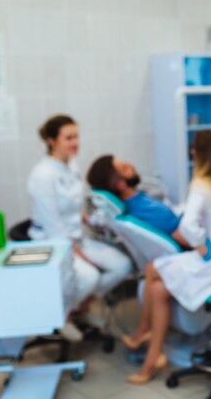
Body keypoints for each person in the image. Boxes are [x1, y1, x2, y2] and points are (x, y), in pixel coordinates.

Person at [122, 130, 211, 384]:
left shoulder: (202, 186)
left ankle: (143, 333)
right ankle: (153, 356)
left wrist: (202, 247)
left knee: (152, 268)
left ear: (196, 154)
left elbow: (188, 227)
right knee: (156, 289)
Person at [27, 114, 133, 340]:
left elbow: (75, 205)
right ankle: (60, 316)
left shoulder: (71, 166)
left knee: (122, 265)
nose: (75, 142)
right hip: (54, 244)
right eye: (68, 138)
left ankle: (82, 308)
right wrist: (79, 255)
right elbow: (54, 227)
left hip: (77, 239)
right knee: (90, 275)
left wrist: (90, 219)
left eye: (76, 136)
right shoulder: (42, 176)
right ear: (51, 141)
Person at [86, 155, 190, 247]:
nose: (131, 164)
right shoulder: (150, 211)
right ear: (120, 185)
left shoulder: (137, 204)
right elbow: (188, 240)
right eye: (125, 168)